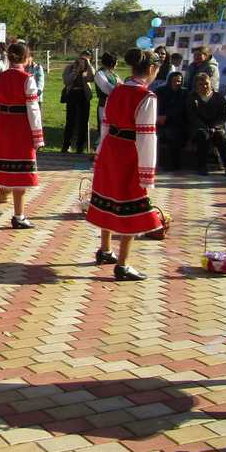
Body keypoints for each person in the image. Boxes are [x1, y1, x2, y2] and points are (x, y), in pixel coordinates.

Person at [86, 48, 162, 281]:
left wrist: (99, 153)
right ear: (151, 69)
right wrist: (147, 173)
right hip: (130, 153)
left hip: (110, 148)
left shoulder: (115, 92)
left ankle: (105, 249)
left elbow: (105, 124)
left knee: (109, 198)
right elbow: (146, 136)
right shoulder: (146, 97)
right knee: (131, 205)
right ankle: (123, 263)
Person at [0, 42, 44, 227]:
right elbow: (33, 109)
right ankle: (19, 216)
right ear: (26, 58)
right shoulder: (27, 79)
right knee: (21, 173)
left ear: (9, 57)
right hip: (20, 128)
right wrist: (38, 136)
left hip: (3, 124)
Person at [187, 71, 226, 176]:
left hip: (216, 127)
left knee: (220, 137)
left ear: (210, 83)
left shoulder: (218, 97)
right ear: (196, 85)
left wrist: (215, 127)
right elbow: (192, 116)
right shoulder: (192, 98)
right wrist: (204, 127)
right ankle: (202, 166)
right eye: (200, 84)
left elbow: (223, 116)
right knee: (202, 136)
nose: (204, 86)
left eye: (206, 84)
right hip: (199, 127)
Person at [61, 51, 94, 153]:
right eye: (82, 57)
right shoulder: (70, 67)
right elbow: (66, 81)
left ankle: (80, 146)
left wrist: (88, 65)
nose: (83, 59)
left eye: (86, 58)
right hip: (72, 94)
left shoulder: (88, 68)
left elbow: (92, 77)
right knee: (70, 121)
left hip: (84, 95)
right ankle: (66, 145)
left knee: (83, 121)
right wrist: (76, 71)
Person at [154, 71, 187, 171]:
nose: (177, 83)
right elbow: (155, 105)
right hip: (158, 119)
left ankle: (174, 165)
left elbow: (182, 109)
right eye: (175, 81)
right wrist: (158, 116)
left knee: (173, 135)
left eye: (179, 81)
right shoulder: (160, 91)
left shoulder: (184, 93)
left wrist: (167, 116)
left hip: (177, 121)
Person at [93, 52, 119, 148]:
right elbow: (107, 89)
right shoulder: (100, 74)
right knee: (104, 129)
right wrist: (118, 88)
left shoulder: (113, 74)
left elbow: (121, 84)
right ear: (112, 63)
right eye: (116, 62)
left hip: (114, 105)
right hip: (104, 105)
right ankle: (99, 151)